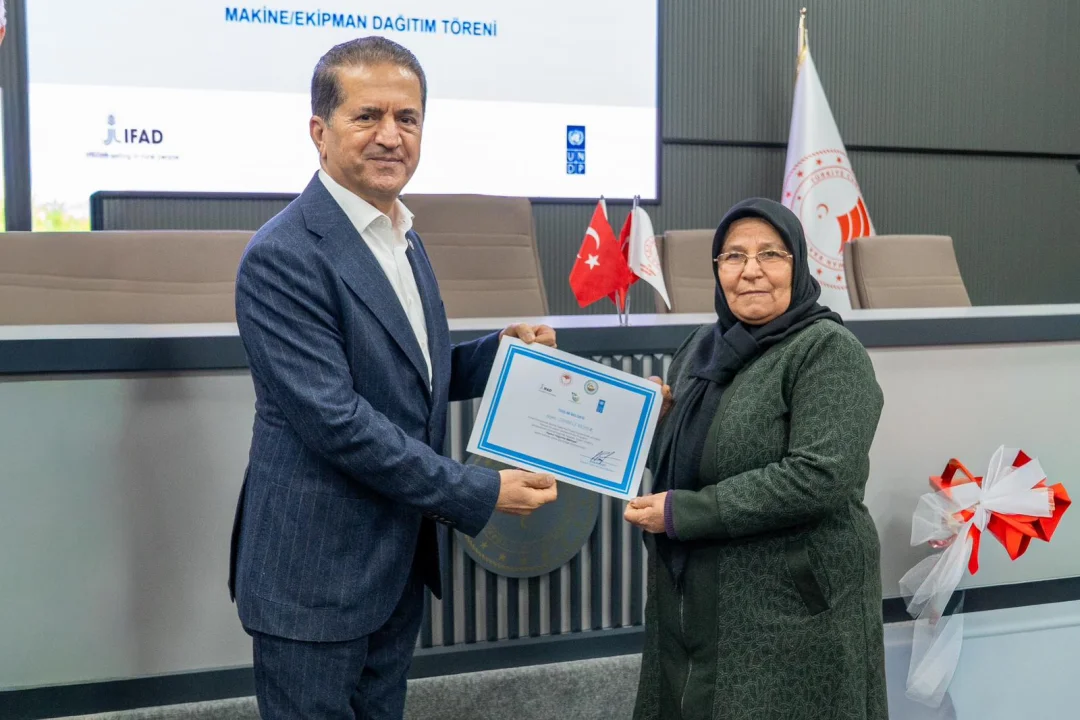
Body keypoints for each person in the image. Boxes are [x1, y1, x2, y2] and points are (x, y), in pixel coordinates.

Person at [228, 36, 558, 720]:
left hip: (393, 567)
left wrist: (498, 354)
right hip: (313, 579)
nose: (390, 135)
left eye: (407, 118)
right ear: (319, 132)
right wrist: (477, 491)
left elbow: (409, 374)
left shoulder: (403, 235)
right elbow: (338, 422)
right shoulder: (282, 255)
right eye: (367, 116)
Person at [624, 198, 887, 720]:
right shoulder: (700, 347)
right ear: (717, 269)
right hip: (697, 597)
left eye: (770, 254)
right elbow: (694, 461)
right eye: (733, 256)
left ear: (798, 265)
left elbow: (819, 476)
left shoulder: (828, 350)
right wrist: (658, 427)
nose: (750, 271)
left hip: (792, 606)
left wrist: (684, 513)